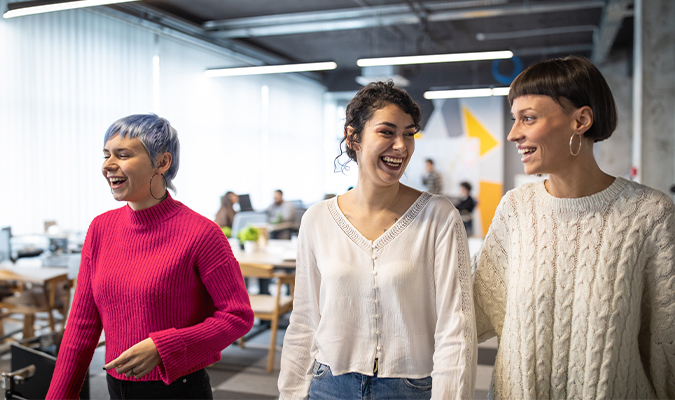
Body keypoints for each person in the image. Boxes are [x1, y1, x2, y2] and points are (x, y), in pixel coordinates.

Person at [473, 56, 675, 399]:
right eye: (514, 119)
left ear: (580, 120)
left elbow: (665, 343)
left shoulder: (649, 215)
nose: (512, 134)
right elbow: (474, 311)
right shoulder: (516, 209)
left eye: (529, 118)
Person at [279, 81, 477, 400]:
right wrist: (289, 394)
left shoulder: (439, 217)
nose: (401, 145)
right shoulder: (317, 219)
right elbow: (304, 320)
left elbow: (457, 328)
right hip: (329, 384)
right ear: (353, 137)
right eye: (387, 132)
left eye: (409, 133)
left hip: (410, 388)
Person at [46, 114, 254, 400]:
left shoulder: (202, 233)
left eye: (123, 154)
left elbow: (237, 316)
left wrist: (164, 347)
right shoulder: (100, 229)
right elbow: (82, 325)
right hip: (115, 386)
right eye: (106, 155)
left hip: (177, 389)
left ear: (162, 162)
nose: (108, 165)